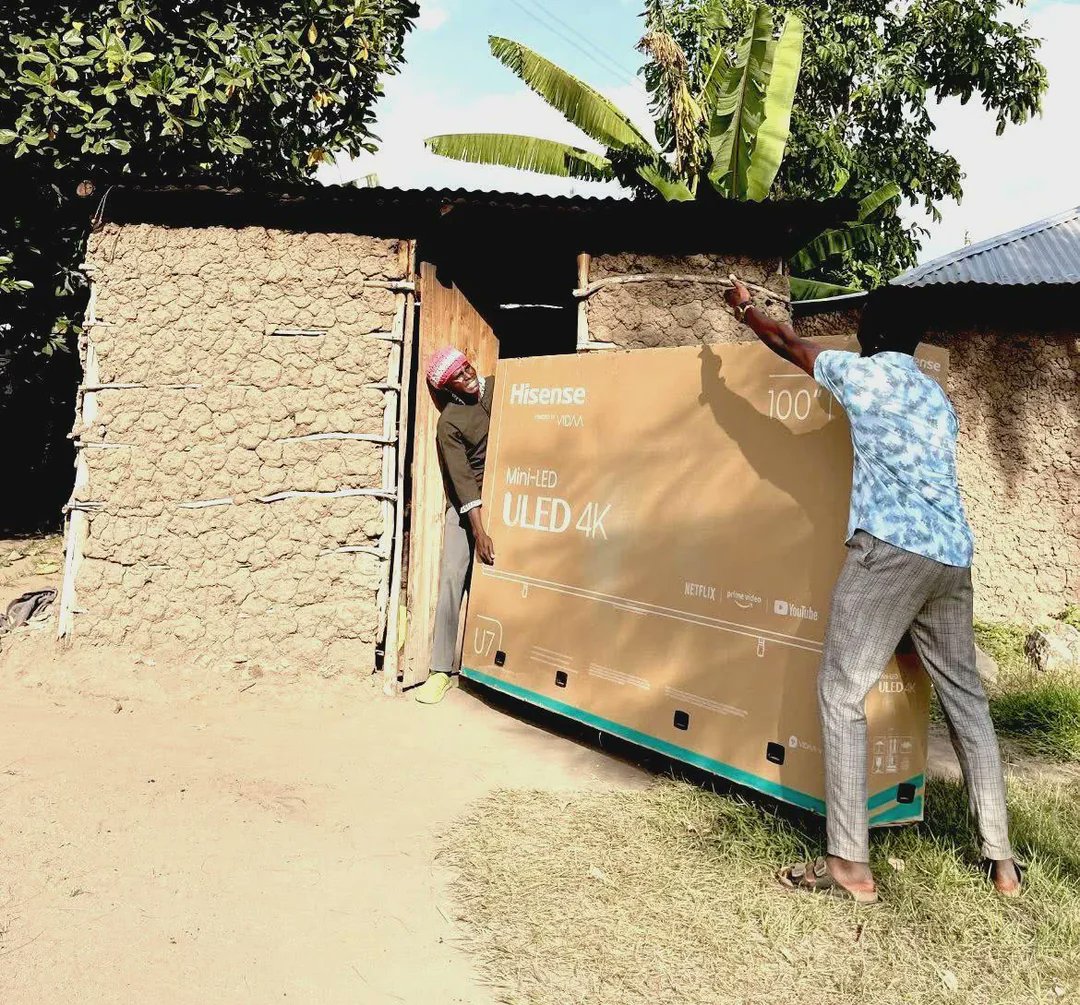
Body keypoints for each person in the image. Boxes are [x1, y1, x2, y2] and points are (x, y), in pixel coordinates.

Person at [723, 277, 1020, 903]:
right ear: (912, 342)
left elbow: (786, 343)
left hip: (889, 553)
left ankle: (849, 866)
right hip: (952, 560)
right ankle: (1002, 861)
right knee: (967, 701)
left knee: (840, 691)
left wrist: (747, 309)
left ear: (867, 333)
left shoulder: (861, 376)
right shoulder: (938, 399)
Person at [413, 347, 497, 705]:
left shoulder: (498, 387)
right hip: (468, 511)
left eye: (467, 367)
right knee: (452, 581)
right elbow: (462, 480)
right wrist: (478, 531)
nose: (467, 375)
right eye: (458, 376)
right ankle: (439, 671)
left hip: (510, 496)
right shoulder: (449, 422)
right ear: (449, 388)